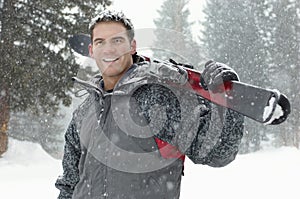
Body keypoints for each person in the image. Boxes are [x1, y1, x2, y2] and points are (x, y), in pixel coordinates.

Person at [55, 9, 244, 199]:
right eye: (100, 42)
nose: (109, 49)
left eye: (117, 41)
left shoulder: (157, 98)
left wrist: (227, 102)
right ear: (91, 50)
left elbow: (215, 152)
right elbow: (69, 184)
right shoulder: (84, 111)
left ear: (132, 46)